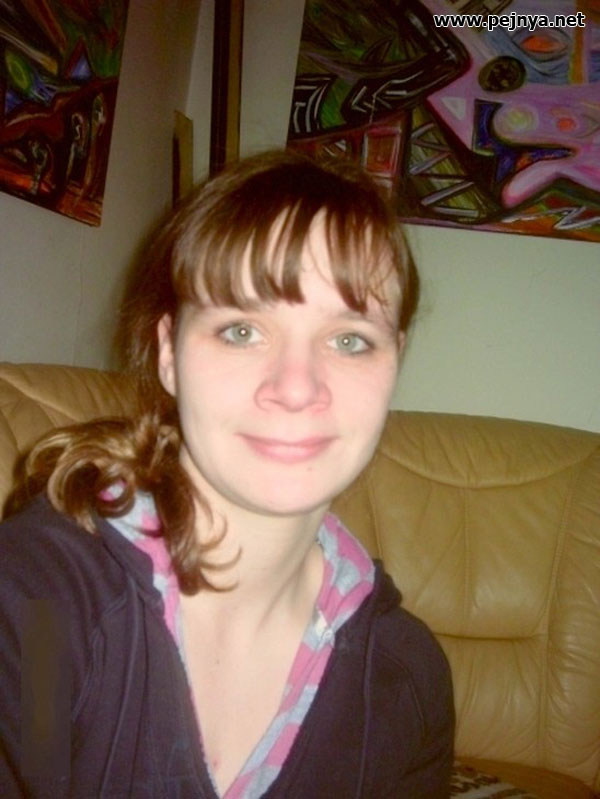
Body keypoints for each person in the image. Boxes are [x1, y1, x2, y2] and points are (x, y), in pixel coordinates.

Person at [0, 151, 454, 797]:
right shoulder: (41, 610)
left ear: (394, 362)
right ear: (168, 352)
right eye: (242, 330)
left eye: (349, 339)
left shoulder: (407, 680)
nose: (296, 388)